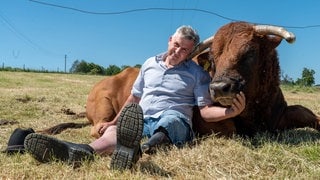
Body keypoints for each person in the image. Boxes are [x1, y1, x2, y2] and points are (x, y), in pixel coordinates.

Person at [24, 25, 246, 170]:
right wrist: (112, 122)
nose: (177, 51)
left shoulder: (196, 73)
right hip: (142, 118)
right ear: (170, 40)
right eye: (176, 45)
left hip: (173, 119)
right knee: (115, 132)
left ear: (190, 53)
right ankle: (83, 151)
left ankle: (140, 149)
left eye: (184, 50)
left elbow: (205, 111)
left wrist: (230, 112)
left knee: (171, 121)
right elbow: (133, 99)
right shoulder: (149, 64)